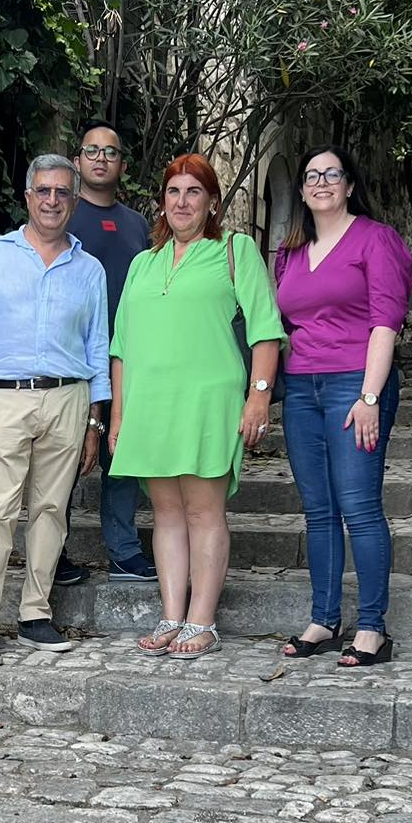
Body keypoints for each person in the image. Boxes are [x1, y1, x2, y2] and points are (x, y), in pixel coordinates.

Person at [109, 154, 283, 658]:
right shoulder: (144, 262)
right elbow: (121, 345)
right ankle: (171, 614)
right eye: (173, 192)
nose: (182, 201)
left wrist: (258, 397)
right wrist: (118, 415)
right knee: (165, 512)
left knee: (204, 512)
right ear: (162, 202)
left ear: (211, 203)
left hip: (210, 400)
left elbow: (266, 328)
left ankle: (202, 621)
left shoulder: (234, 250)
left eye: (193, 192)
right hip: (150, 404)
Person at [0, 153, 110, 666]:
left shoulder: (90, 270)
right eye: (43, 190)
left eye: (63, 193)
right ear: (27, 196)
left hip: (69, 397)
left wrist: (94, 422)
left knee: (50, 511)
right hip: (4, 396)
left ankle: (36, 614)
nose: (52, 201)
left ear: (75, 201)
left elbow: (98, 348)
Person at [274, 145, 412, 667]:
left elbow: (385, 322)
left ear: (350, 184)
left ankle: (373, 627)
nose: (321, 182)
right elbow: (288, 324)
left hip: (355, 384)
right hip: (302, 389)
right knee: (318, 511)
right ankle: (324, 619)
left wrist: (370, 397)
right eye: (312, 175)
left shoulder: (376, 240)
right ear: (303, 189)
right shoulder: (291, 249)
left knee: (359, 507)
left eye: (332, 174)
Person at [53, 120, 156, 586]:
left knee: (125, 459)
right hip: (72, 361)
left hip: (130, 361)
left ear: (122, 165)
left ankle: (124, 551)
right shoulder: (60, 215)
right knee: (64, 462)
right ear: (77, 161)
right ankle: (51, 553)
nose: (100, 158)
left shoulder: (138, 225)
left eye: (110, 152)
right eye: (91, 150)